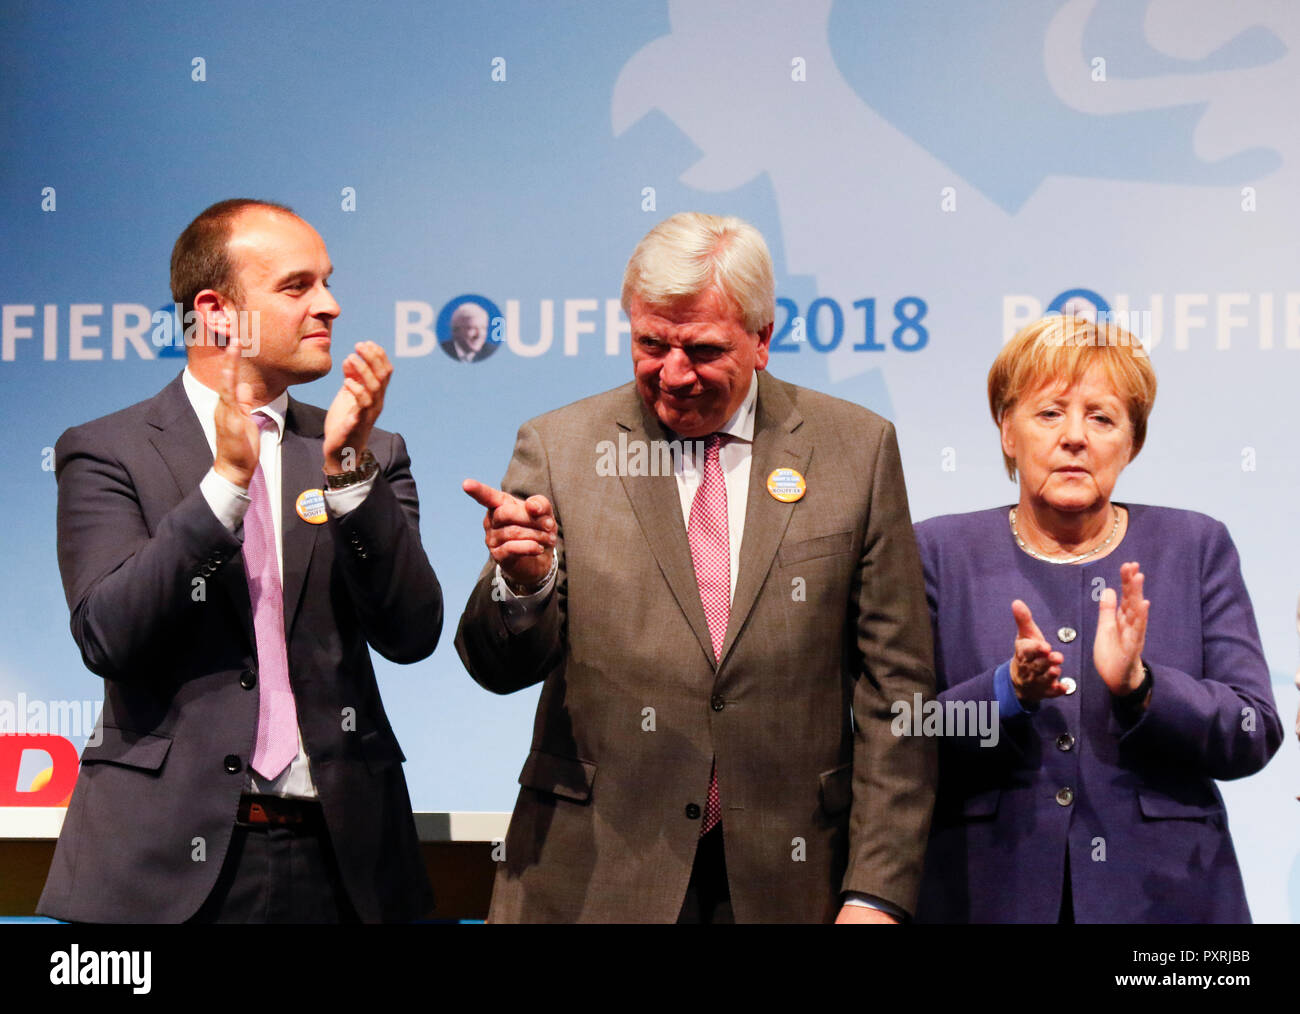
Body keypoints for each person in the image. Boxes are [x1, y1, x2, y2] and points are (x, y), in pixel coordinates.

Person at [456, 211, 936, 923]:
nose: (673, 375)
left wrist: (876, 892)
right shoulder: (559, 447)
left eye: (704, 350)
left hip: (792, 883)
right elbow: (496, 667)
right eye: (651, 344)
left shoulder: (855, 451)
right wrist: (525, 586)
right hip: (590, 880)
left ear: (764, 339)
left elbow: (899, 693)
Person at [38, 199, 442, 923]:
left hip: (346, 865)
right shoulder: (107, 450)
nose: (331, 306)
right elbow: (108, 634)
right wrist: (223, 487)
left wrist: (350, 474)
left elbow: (411, 633)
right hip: (160, 871)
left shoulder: (370, 449)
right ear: (217, 311)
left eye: (327, 282)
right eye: (298, 287)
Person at [913, 314, 1281, 923]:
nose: (1075, 437)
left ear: (1131, 442)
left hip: (1168, 907)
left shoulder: (1195, 545)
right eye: (1050, 413)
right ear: (1008, 431)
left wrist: (1143, 689)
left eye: (1102, 417)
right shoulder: (938, 552)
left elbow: (1253, 729)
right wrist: (1005, 693)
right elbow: (898, 734)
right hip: (985, 895)